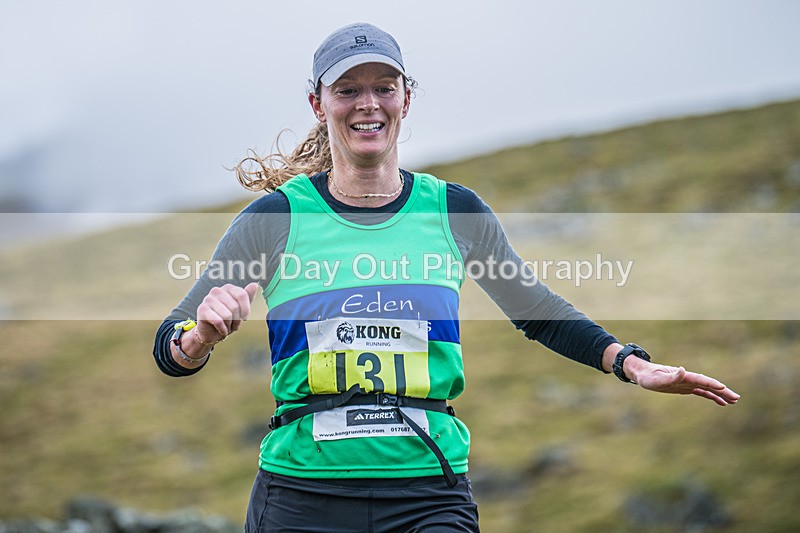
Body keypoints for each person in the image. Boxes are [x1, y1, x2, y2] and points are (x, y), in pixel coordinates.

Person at [153, 22, 740, 532]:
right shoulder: (275, 218)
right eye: (347, 89)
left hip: (428, 492)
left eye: (384, 87)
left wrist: (633, 364)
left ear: (406, 98)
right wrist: (199, 337)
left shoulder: (451, 211)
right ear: (317, 104)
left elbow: (534, 307)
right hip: (302, 494)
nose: (368, 104)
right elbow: (169, 345)